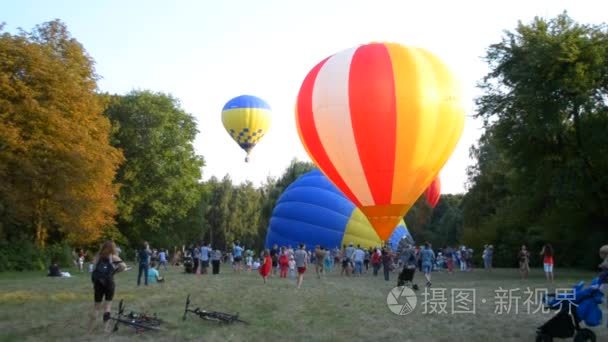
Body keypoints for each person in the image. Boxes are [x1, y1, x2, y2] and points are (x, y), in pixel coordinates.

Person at [88, 240, 127, 333]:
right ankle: (105, 329)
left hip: (98, 282)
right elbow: (123, 266)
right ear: (113, 248)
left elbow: (93, 267)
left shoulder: (98, 256)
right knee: (108, 305)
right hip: (109, 282)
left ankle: (89, 329)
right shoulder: (113, 257)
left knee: (96, 306)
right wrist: (115, 272)